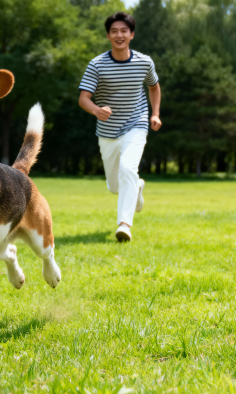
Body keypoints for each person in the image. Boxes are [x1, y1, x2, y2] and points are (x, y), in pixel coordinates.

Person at [78, 11, 161, 243]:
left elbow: (154, 87)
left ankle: (124, 225)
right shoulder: (97, 65)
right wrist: (97, 110)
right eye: (114, 31)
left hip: (136, 124)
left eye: (124, 31)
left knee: (127, 168)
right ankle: (137, 187)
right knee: (115, 186)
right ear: (108, 36)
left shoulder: (144, 62)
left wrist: (155, 114)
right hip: (107, 132)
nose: (119, 35)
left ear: (132, 34)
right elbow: (83, 98)